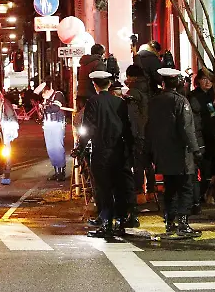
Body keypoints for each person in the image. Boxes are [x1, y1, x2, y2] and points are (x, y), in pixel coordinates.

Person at [145, 68, 201, 239]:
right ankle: (183, 223)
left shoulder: (154, 102)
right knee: (185, 188)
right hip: (180, 152)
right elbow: (186, 128)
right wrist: (195, 149)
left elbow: (149, 127)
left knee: (169, 188)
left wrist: (150, 150)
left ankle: (169, 221)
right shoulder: (180, 101)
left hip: (163, 152)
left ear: (163, 83)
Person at [84, 71, 132, 238]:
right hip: (119, 150)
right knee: (119, 187)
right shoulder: (120, 103)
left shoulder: (93, 102)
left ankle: (106, 223)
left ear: (95, 85)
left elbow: (88, 128)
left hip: (101, 150)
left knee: (104, 189)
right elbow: (127, 128)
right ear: (110, 84)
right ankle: (120, 222)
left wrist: (81, 148)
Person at [123, 65, 152, 218]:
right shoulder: (147, 87)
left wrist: (132, 134)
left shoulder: (133, 93)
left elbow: (133, 117)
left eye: (128, 77)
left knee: (137, 164)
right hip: (148, 131)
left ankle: (139, 193)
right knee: (147, 162)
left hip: (138, 133)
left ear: (132, 77)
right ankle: (151, 191)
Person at [188, 69, 215, 213]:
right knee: (204, 166)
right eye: (204, 79)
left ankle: (208, 193)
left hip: (213, 134)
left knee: (212, 165)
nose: (207, 82)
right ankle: (200, 194)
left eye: (209, 79)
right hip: (201, 136)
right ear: (198, 80)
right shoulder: (194, 97)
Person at [35, 82, 68, 181]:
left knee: (58, 148)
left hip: (57, 124)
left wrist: (44, 108)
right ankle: (56, 171)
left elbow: (55, 107)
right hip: (48, 125)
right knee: (51, 149)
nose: (43, 95)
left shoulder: (58, 95)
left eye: (43, 92)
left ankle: (61, 172)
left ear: (48, 90)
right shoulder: (46, 99)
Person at [0, 93, 20, 185]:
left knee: (6, 152)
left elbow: (11, 116)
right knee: (5, 152)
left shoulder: (4, 102)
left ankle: (6, 174)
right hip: (1, 130)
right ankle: (5, 173)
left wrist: (11, 131)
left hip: (5, 130)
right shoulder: (3, 101)